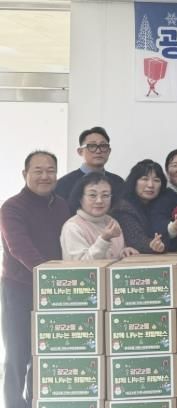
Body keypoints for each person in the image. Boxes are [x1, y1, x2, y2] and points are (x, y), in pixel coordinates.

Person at [0, 151, 70, 408]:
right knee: (17, 354)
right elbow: (19, 248)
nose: (45, 176)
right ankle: (13, 403)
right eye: (38, 171)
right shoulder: (12, 207)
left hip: (53, 290)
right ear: (24, 174)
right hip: (20, 288)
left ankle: (34, 402)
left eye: (50, 170)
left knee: (44, 352)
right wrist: (50, 276)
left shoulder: (62, 205)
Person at [60, 172, 138, 260]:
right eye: (92, 195)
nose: (99, 201)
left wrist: (124, 252)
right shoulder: (72, 227)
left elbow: (115, 255)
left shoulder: (111, 221)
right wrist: (104, 239)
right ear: (80, 198)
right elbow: (80, 264)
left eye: (105, 195)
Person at [55, 126, 124, 206]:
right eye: (92, 146)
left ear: (109, 151)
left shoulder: (118, 182)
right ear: (80, 151)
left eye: (103, 146)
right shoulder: (63, 184)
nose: (98, 151)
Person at [112, 159, 167, 254]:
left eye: (156, 180)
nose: (150, 185)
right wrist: (155, 245)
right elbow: (136, 241)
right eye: (144, 179)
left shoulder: (161, 205)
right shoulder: (123, 208)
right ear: (134, 182)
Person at [149, 149, 177, 252]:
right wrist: (174, 227)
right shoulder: (162, 198)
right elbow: (158, 229)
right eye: (175, 165)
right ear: (167, 171)